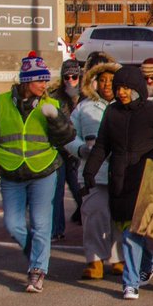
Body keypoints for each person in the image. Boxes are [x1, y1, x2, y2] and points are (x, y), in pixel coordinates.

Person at [0, 52, 76, 293]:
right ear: (26, 81)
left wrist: (55, 119)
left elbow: (68, 136)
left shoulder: (53, 104)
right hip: (11, 171)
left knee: (41, 223)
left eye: (46, 80)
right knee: (13, 223)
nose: (44, 85)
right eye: (39, 81)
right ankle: (37, 253)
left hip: (43, 170)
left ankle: (37, 270)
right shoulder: (0, 103)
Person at [82, 65, 153, 299]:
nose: (121, 92)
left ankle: (130, 282)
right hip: (119, 178)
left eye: (125, 88)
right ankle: (148, 262)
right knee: (128, 229)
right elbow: (103, 145)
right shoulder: (112, 113)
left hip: (145, 178)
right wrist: (90, 170)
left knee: (132, 232)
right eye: (118, 87)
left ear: (137, 88)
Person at [67, 60, 123, 279]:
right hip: (93, 173)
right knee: (94, 217)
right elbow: (69, 136)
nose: (107, 84)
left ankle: (118, 259)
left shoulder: (127, 106)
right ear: (95, 82)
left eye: (112, 80)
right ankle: (94, 260)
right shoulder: (84, 107)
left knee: (120, 218)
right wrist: (80, 150)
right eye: (103, 80)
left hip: (121, 173)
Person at [49, 59, 84, 241]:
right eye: (66, 77)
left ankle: (88, 221)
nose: (70, 80)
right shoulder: (54, 98)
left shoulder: (86, 98)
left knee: (81, 191)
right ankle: (56, 230)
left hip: (79, 152)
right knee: (56, 192)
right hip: (59, 151)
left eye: (74, 77)